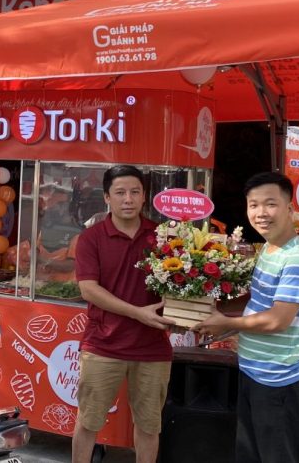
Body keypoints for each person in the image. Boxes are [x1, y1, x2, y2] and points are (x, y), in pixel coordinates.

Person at [194, 172, 299, 463]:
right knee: (250, 455)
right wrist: (211, 315)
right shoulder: (270, 248)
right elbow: (258, 303)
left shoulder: (298, 258)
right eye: (253, 205)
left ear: (289, 209)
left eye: (270, 204)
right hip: (255, 373)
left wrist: (225, 323)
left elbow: (278, 319)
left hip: (281, 382)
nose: (260, 213)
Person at [72, 165, 175, 463]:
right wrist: (137, 313)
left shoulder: (163, 237)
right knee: (89, 421)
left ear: (144, 196)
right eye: (120, 193)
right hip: (103, 345)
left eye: (134, 192)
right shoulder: (91, 238)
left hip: (152, 347)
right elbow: (89, 290)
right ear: (107, 197)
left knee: (149, 425)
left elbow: (177, 285)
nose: (127, 199)